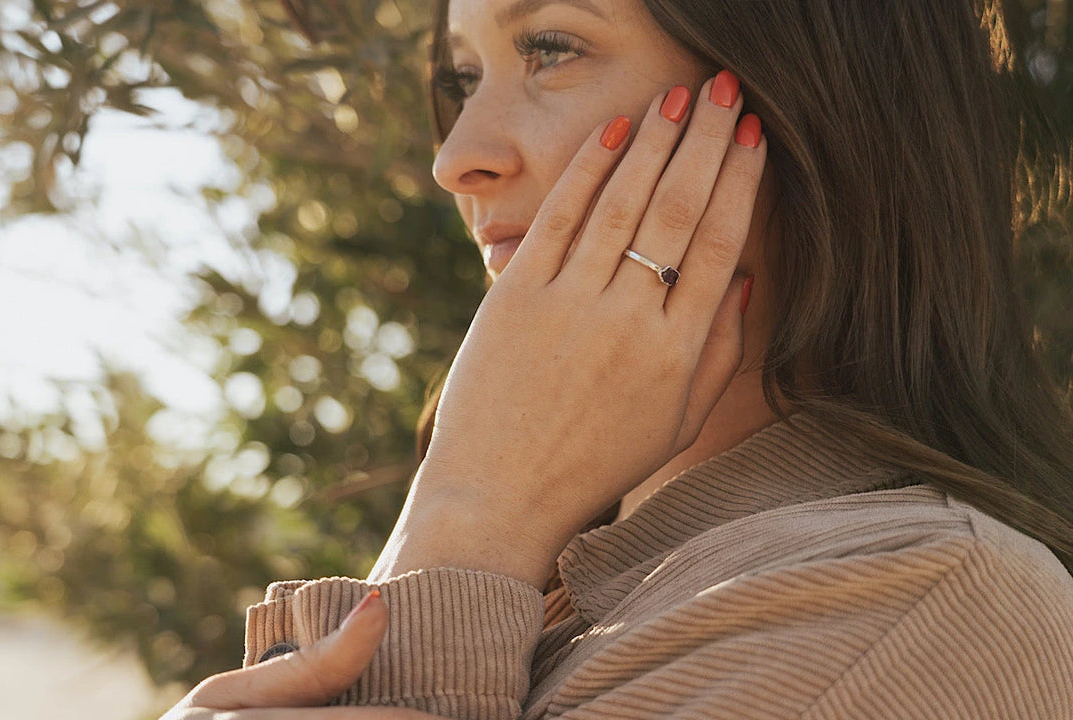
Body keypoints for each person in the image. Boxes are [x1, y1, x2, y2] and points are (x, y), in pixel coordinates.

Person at [163, 0, 1073, 718]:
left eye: (551, 47)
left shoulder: (923, 605)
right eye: (463, 74)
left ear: (812, 98)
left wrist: (465, 518)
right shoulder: (561, 581)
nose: (456, 158)